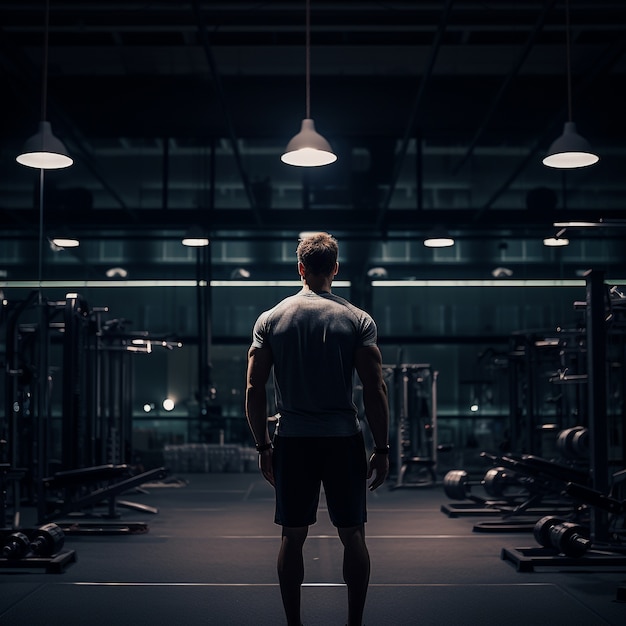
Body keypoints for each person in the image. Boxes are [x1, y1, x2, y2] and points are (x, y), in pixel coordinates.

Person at [245, 232, 390, 626]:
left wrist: (262, 446)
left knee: (292, 537)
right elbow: (375, 389)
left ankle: (294, 625)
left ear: (301, 268)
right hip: (343, 439)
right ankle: (354, 624)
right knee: (354, 535)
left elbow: (254, 388)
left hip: (293, 440)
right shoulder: (357, 319)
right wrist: (383, 448)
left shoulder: (271, 319)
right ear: (336, 269)